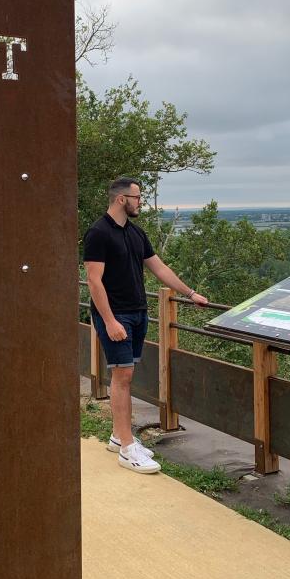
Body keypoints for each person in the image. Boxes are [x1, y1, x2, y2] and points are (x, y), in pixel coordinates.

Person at [83, 177, 208, 474]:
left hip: (138, 313)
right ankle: (127, 448)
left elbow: (159, 267)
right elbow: (93, 280)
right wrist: (111, 320)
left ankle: (118, 436)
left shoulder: (137, 234)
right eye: (137, 197)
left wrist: (190, 293)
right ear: (120, 199)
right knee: (122, 377)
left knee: (126, 375)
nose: (141, 202)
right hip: (115, 315)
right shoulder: (98, 233)